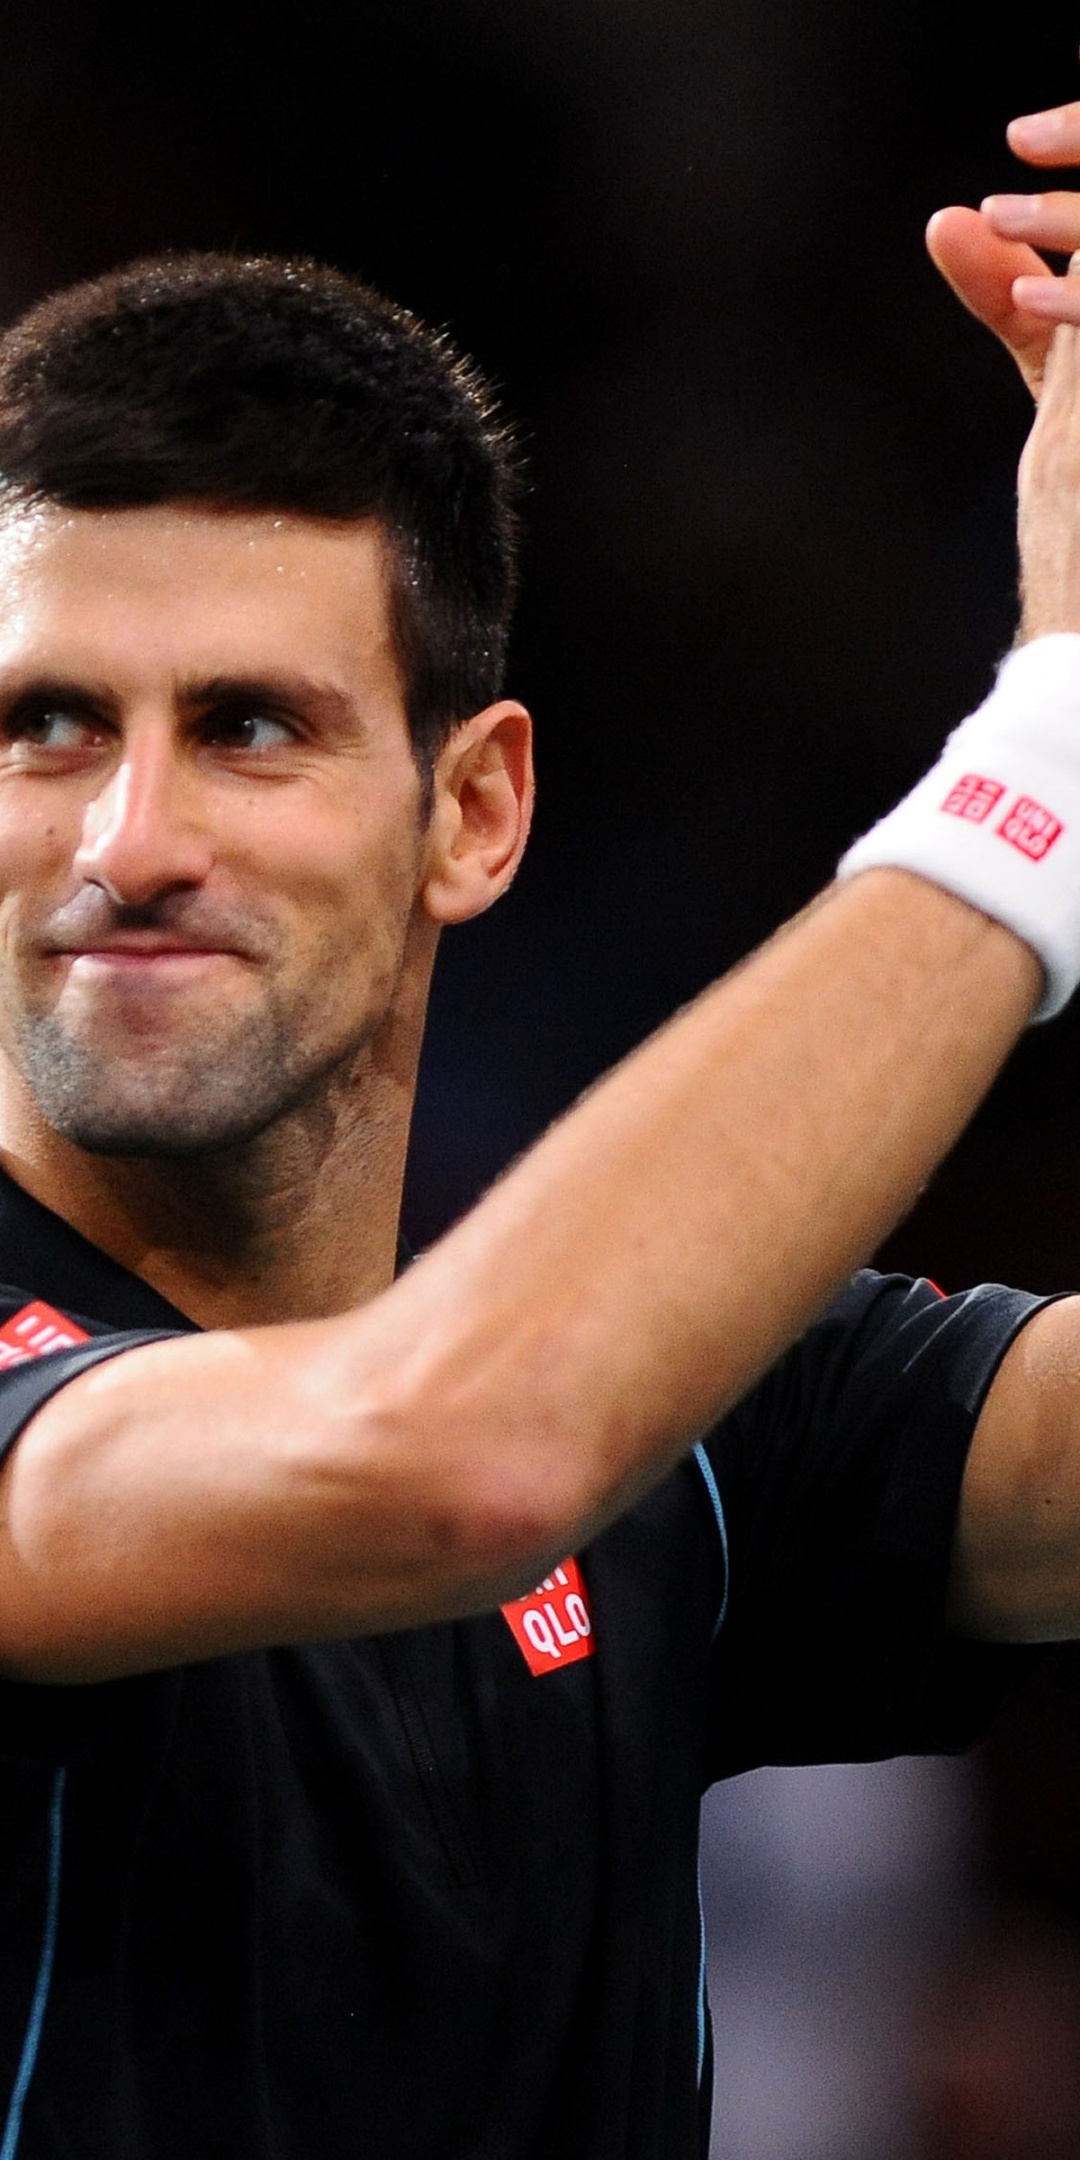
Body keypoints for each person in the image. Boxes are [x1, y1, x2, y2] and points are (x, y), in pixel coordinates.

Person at [0, 89, 1079, 2160]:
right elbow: (461, 1450)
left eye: (247, 729)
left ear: (472, 812)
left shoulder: (685, 1424)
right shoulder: (505, 1415)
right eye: (46, 726)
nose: (129, 842)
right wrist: (1058, 733)